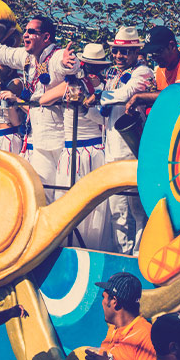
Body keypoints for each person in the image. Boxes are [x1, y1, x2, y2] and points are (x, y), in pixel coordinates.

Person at [0, 16, 80, 198]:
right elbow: (1, 52)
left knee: (61, 194)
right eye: (25, 31)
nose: (26, 35)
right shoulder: (26, 57)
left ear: (45, 37)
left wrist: (69, 63)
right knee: (40, 192)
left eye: (31, 32)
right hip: (35, 137)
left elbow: (67, 65)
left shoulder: (56, 56)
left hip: (59, 138)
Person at [41, 43, 109, 249]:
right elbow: (44, 100)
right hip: (76, 150)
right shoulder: (72, 84)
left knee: (90, 204)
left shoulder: (106, 88)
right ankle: (71, 246)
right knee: (72, 200)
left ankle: (87, 247)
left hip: (90, 148)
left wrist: (84, 105)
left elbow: (103, 120)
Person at [99, 27, 154, 253]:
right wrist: (85, 106)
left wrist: (98, 97)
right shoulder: (112, 74)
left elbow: (127, 94)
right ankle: (122, 255)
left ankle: (140, 255)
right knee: (117, 211)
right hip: (111, 148)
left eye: (125, 52)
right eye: (116, 52)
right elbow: (106, 111)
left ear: (136, 51)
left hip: (132, 149)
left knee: (138, 210)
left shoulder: (144, 72)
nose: (119, 56)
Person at [84, 272, 155, 360]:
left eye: (104, 297)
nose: (102, 302)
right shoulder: (114, 328)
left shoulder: (145, 336)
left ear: (114, 302)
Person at [125, 26, 180, 115]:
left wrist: (139, 97)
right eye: (150, 54)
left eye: (156, 52)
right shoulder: (160, 71)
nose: (154, 58)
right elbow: (165, 99)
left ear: (172, 46)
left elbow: (179, 93)